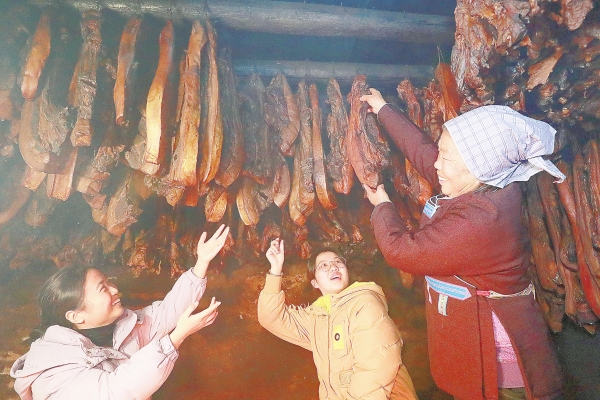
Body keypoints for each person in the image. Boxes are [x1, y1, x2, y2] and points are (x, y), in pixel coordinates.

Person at [359, 89, 565, 400]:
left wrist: (382, 205)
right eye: (442, 153)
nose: (437, 164)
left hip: (500, 375)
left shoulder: (481, 221)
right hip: (473, 344)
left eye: (447, 158)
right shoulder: (485, 182)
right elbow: (426, 155)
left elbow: (401, 251)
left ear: (477, 167)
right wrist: (384, 109)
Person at [10, 224, 230, 400]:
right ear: (76, 316)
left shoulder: (122, 326)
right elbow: (117, 391)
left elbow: (167, 311)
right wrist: (176, 337)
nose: (115, 290)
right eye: (103, 288)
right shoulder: (54, 368)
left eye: (109, 282)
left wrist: (202, 263)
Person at [257, 238, 418, 400]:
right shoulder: (317, 318)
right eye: (324, 265)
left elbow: (374, 369)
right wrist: (275, 270)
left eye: (338, 262)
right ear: (315, 282)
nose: (333, 267)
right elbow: (271, 317)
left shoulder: (364, 303)